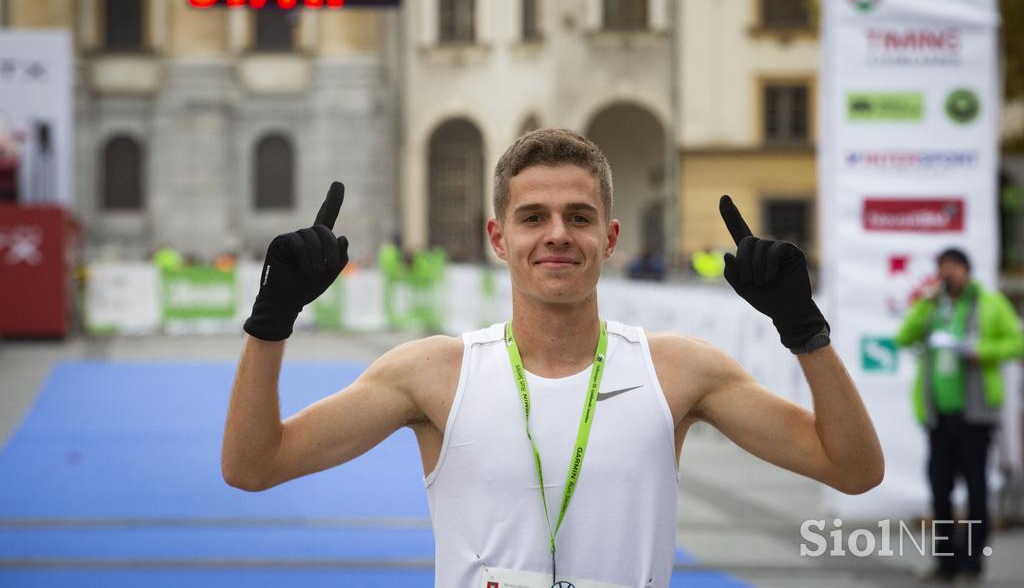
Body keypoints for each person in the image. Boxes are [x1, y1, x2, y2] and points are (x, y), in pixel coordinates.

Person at [223, 128, 884, 587]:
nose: (558, 236)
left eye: (579, 216)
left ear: (610, 236)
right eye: (533, 217)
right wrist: (272, 319)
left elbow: (853, 469)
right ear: (498, 237)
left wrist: (804, 329)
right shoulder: (430, 374)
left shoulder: (680, 370)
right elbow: (253, 466)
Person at [895, 247, 1023, 584]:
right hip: (939, 415)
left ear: (966, 270)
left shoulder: (990, 303)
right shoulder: (934, 306)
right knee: (939, 489)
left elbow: (1017, 343)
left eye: (952, 267)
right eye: (942, 269)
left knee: (977, 490)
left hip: (975, 414)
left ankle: (972, 564)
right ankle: (946, 563)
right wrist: (925, 302)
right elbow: (904, 337)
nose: (947, 274)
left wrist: (981, 351)